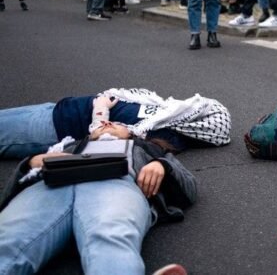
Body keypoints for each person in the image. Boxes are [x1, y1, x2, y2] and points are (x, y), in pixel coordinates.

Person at [0, 133, 197, 274]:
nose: (106, 124)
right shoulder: (69, 146)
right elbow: (11, 191)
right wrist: (30, 162)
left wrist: (162, 165)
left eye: (114, 123)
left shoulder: (146, 148)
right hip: (50, 185)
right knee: (9, 239)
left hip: (115, 183)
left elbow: (190, 188)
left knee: (110, 233)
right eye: (100, 124)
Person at [0, 87, 232, 159]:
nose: (195, 103)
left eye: (202, 111)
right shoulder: (163, 109)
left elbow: (103, 139)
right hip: (60, 108)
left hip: (54, 127)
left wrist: (100, 109)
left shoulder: (163, 135)